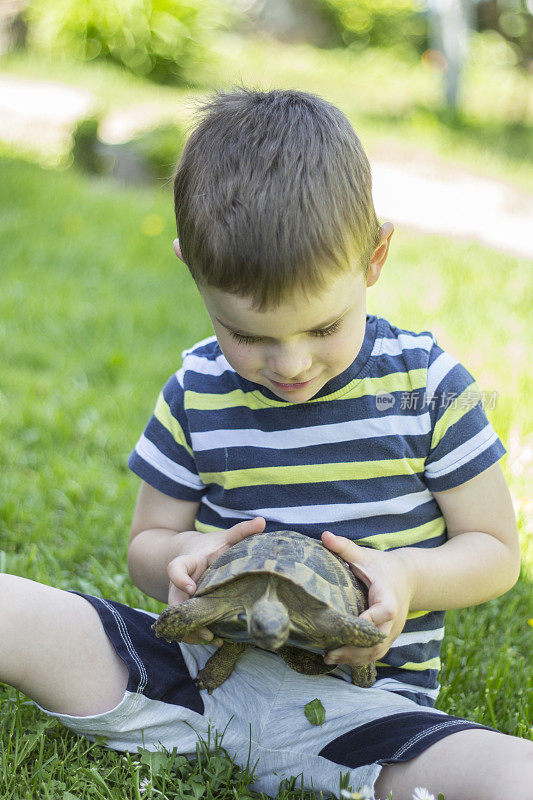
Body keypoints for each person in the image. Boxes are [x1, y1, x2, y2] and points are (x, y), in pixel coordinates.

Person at [1, 87, 531, 800]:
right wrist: (180, 559)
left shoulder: (429, 386)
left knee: (510, 774)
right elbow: (148, 541)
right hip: (190, 669)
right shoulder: (196, 388)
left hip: (358, 712)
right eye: (248, 335)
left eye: (321, 328)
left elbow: (494, 552)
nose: (287, 365)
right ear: (192, 268)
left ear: (374, 257)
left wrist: (406, 577)